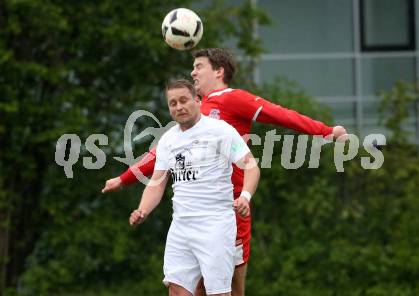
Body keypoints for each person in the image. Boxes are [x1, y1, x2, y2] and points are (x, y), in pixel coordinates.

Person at [103, 48, 348, 296]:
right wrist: (125, 179)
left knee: (229, 288)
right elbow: (160, 156)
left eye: (199, 66)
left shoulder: (232, 98)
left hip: (229, 208)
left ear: (219, 71)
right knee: (192, 288)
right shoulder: (190, 113)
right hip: (191, 213)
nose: (193, 72)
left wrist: (325, 131)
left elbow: (280, 115)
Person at [129, 79, 260, 296]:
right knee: (177, 291)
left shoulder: (221, 131)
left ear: (197, 100)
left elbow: (251, 166)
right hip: (181, 226)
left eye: (183, 100)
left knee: (218, 293)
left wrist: (245, 196)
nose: (179, 107)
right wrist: (143, 209)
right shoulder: (168, 140)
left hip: (215, 225)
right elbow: (157, 182)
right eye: (173, 103)